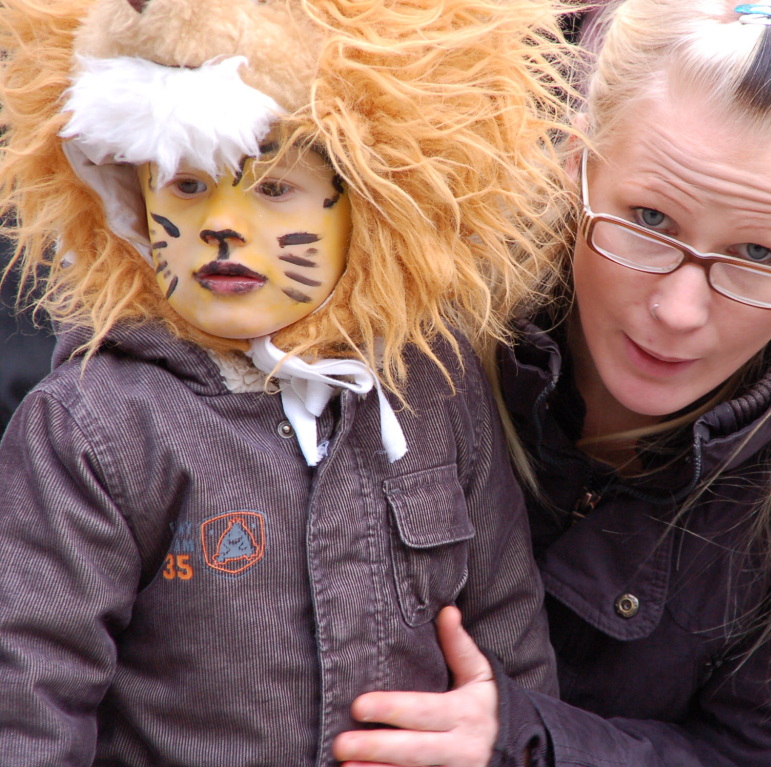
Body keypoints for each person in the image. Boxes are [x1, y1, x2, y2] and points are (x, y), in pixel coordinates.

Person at [331, 1, 771, 765]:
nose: (678, 310)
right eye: (648, 219)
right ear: (574, 161)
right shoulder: (418, 293)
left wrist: (521, 745)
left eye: (756, 253)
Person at [0, 0, 571, 763]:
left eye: (273, 187)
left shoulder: (434, 388)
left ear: (365, 204)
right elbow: (31, 691)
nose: (222, 226)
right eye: (186, 186)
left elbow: (507, 627)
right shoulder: (95, 425)